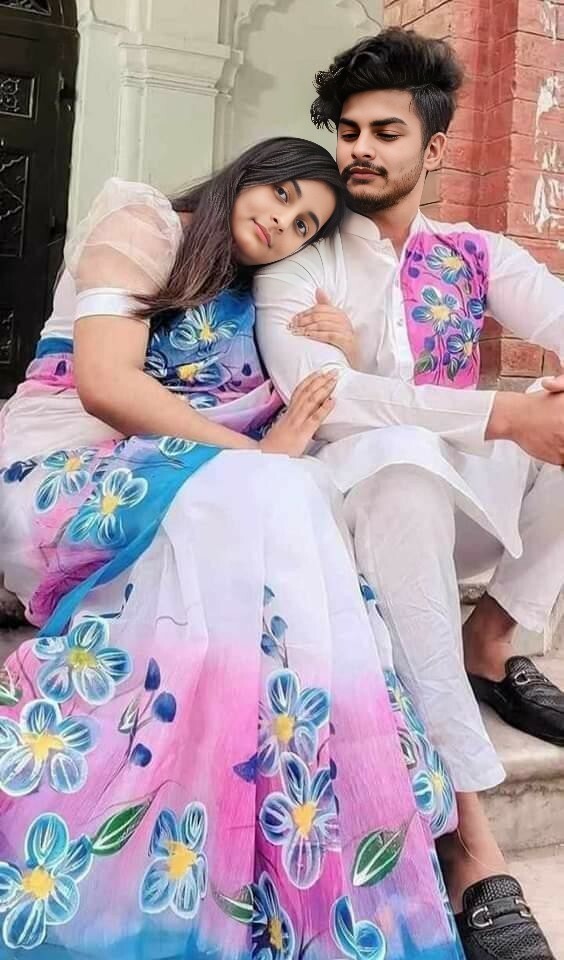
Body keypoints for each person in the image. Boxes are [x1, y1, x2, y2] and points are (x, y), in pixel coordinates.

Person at [0, 138, 463, 959]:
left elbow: (314, 405)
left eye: (304, 225)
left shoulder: (264, 296)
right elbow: (105, 383)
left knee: (290, 494)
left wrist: (342, 351)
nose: (282, 224)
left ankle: (293, 811)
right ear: (244, 174)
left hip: (197, 479)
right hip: (68, 470)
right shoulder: (146, 222)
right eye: (280, 195)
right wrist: (254, 454)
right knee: (272, 488)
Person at [253, 30, 563, 960]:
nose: (359, 149)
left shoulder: (474, 253)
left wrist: (534, 409)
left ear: (433, 147)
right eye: (349, 130)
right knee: (397, 460)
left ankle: (491, 641)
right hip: (347, 508)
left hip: (451, 505)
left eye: (385, 132)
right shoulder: (301, 254)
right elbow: (325, 398)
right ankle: (468, 838)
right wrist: (501, 414)